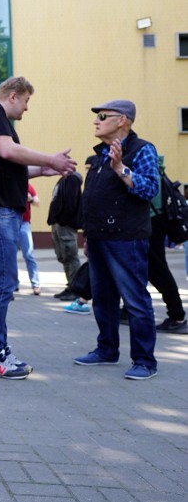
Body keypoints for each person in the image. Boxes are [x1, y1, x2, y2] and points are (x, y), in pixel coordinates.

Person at [0, 76, 77, 380]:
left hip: (0, 210)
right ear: (13, 96)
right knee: (3, 282)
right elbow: (7, 152)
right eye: (27, 101)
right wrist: (49, 158)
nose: (27, 108)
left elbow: (10, 166)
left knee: (4, 281)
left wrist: (43, 168)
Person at [74, 99, 160, 380]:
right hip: (99, 237)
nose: (96, 121)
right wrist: (87, 234)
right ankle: (107, 350)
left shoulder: (142, 149)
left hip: (126, 239)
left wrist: (121, 167)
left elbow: (149, 189)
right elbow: (94, 199)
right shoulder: (100, 155)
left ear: (122, 120)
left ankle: (145, 361)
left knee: (135, 300)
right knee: (102, 299)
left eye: (102, 116)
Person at [149, 157, 188, 334]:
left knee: (159, 271)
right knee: (147, 270)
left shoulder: (153, 174)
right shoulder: (159, 172)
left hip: (152, 225)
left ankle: (177, 316)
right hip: (154, 224)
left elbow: (151, 205)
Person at [47, 171, 84, 302]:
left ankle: (76, 289)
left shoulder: (72, 180)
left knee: (70, 256)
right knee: (63, 257)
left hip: (65, 225)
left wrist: (63, 220)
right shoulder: (63, 180)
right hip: (58, 223)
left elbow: (71, 203)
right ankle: (71, 286)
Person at [16, 182, 41, 295]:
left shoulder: (28, 186)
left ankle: (35, 284)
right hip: (10, 223)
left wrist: (30, 199)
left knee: (29, 254)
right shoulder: (9, 183)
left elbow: (37, 202)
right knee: (10, 256)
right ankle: (13, 284)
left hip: (24, 223)